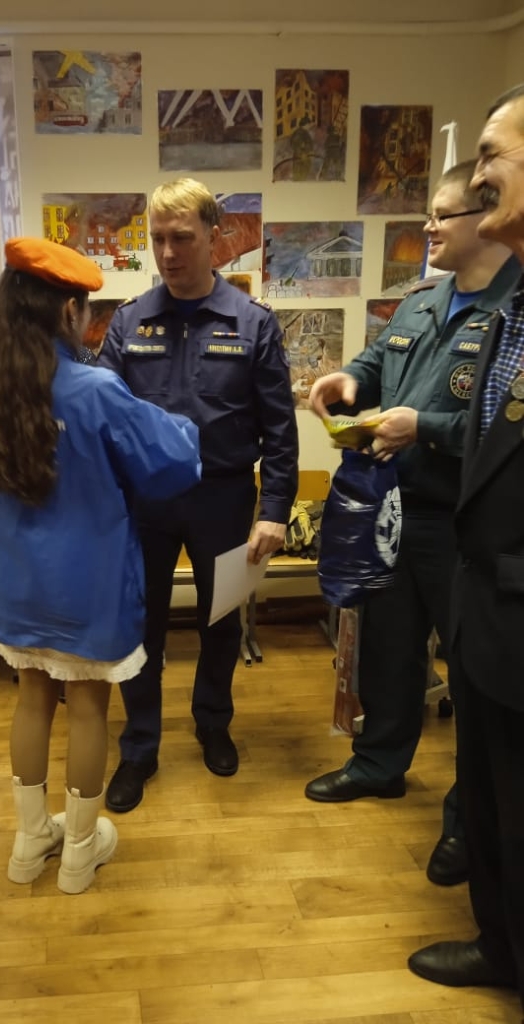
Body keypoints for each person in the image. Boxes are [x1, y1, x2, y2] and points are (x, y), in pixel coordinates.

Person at [304, 160, 519, 889]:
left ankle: (467, 817)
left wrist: (421, 425)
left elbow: (503, 427)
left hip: (467, 523)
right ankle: (378, 764)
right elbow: (375, 360)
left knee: (472, 673)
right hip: (394, 507)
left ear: (484, 220)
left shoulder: (514, 312)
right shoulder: (423, 301)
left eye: (441, 215)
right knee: (389, 648)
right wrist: (350, 379)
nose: (427, 227)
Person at [0, 237, 200, 895]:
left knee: (32, 700)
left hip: (16, 585)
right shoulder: (95, 389)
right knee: (90, 710)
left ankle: (27, 842)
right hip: (86, 587)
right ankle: (78, 852)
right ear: (69, 310)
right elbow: (171, 463)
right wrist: (179, 423)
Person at [99, 177, 298, 813]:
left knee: (221, 623)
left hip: (225, 499)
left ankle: (213, 722)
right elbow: (102, 420)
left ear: (215, 237)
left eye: (182, 237)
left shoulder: (253, 324)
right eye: (158, 238)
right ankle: (139, 747)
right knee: (141, 627)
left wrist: (275, 512)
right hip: (146, 504)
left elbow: (280, 430)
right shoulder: (129, 322)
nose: (168, 252)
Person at [408, 84, 524, 1014]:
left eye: (492, 153)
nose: (479, 174)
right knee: (493, 800)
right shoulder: (510, 312)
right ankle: (502, 944)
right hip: (486, 604)